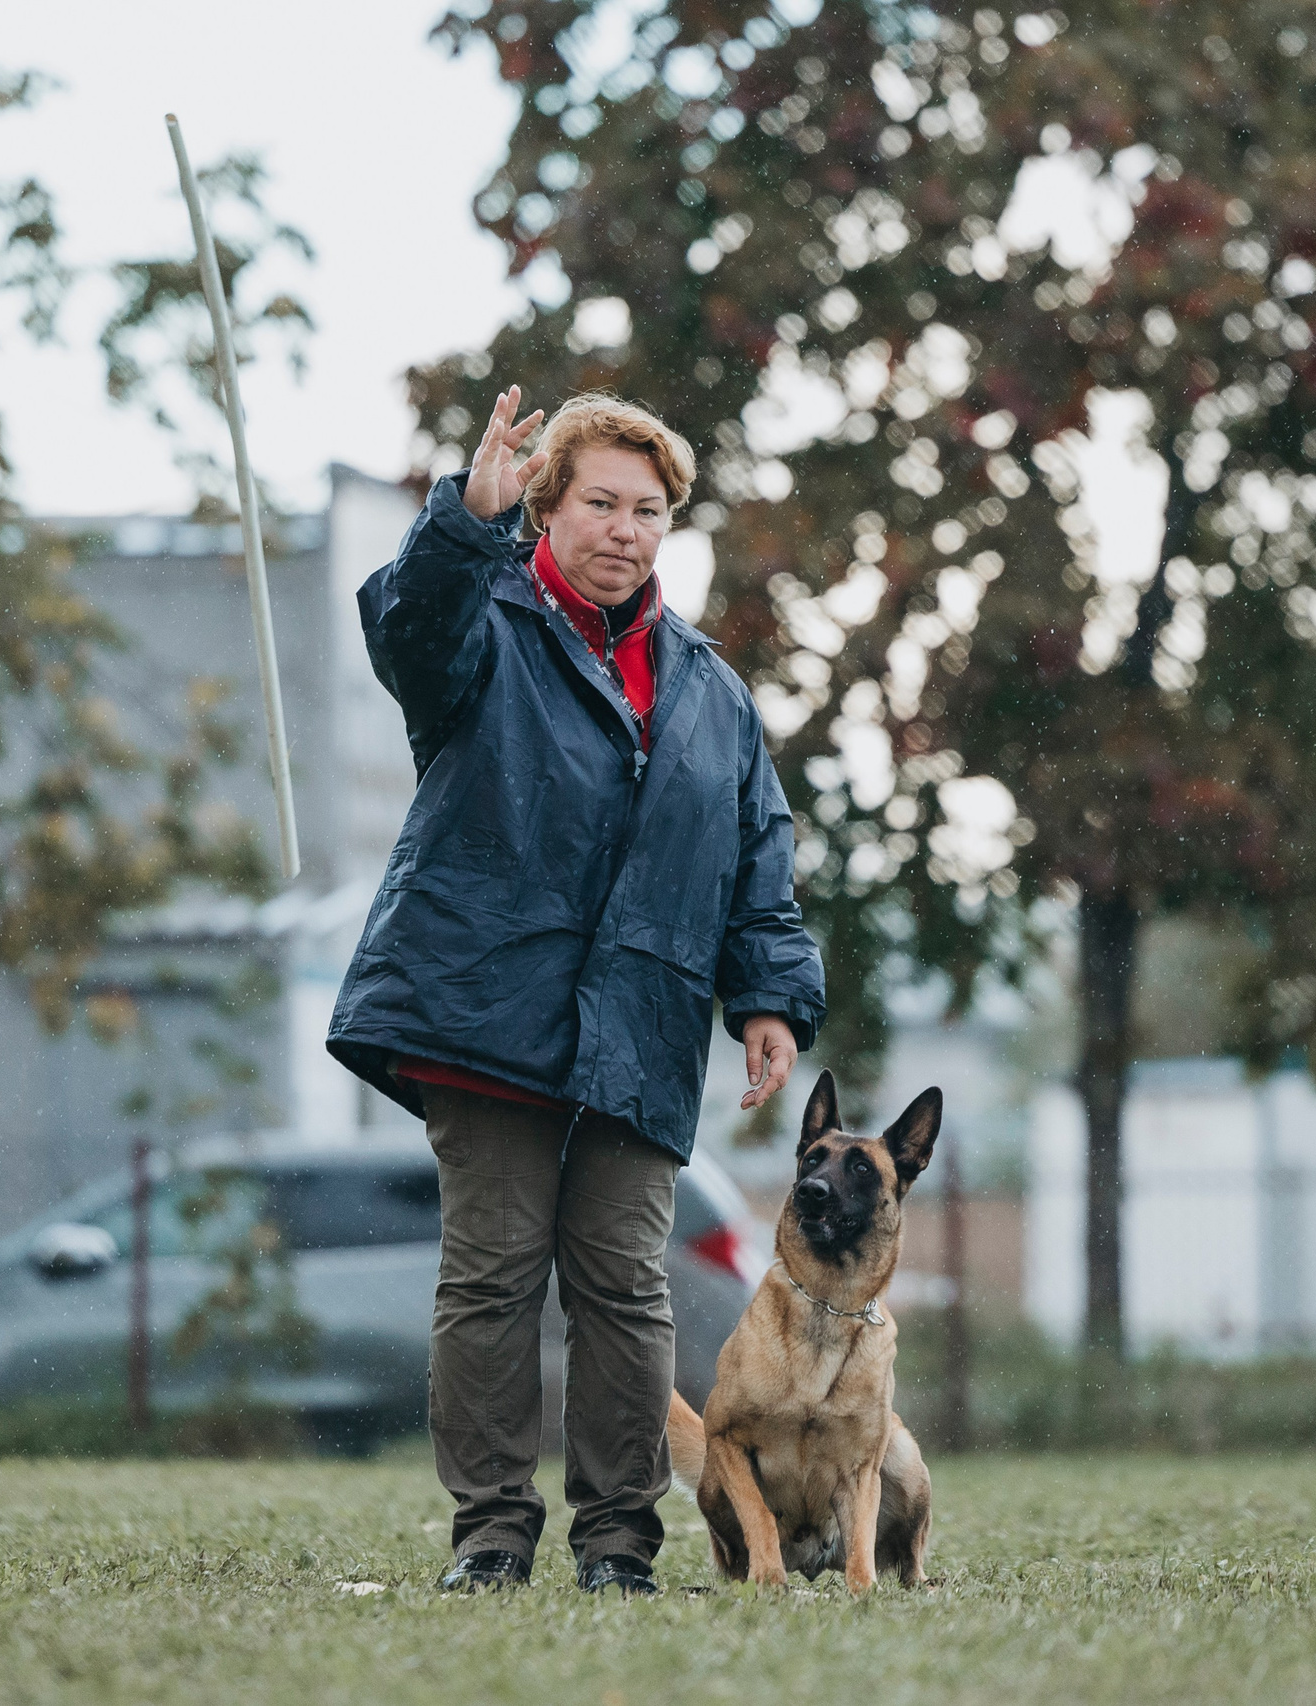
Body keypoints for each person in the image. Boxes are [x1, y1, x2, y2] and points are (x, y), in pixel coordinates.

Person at [329, 388, 825, 1596]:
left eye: (648, 509)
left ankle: (618, 1543)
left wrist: (766, 996)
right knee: (491, 1272)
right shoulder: (479, 622)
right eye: (599, 502)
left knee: (623, 1282)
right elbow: (406, 630)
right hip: (482, 1006)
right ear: (547, 505)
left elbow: (755, 854)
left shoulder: (710, 688)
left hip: (640, 1025)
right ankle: (493, 1531)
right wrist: (463, 521)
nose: (625, 529)